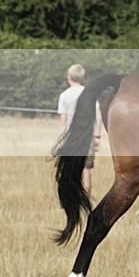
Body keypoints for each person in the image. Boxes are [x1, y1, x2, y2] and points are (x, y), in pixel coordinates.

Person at [57, 64, 101, 194]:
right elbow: (98, 115)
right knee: (85, 170)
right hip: (87, 137)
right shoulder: (90, 94)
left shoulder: (64, 96)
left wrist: (62, 140)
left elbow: (63, 122)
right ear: (83, 78)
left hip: (71, 138)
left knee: (69, 170)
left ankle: (70, 199)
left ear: (69, 77)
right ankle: (86, 198)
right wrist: (97, 135)